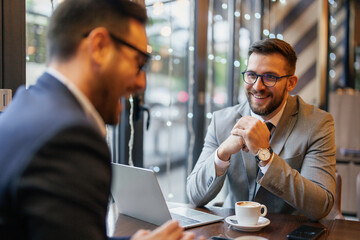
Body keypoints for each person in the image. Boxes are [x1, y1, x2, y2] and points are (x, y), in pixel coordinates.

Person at [0, 1, 203, 240]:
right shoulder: (69, 137)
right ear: (99, 46)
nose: (141, 84)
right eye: (138, 63)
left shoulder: (25, 106)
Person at [186, 38, 336, 221]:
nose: (257, 86)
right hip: (232, 232)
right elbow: (194, 196)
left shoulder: (317, 124)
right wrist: (222, 153)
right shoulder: (222, 121)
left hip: (288, 232)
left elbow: (321, 206)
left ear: (291, 83)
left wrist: (265, 155)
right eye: (251, 75)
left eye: (270, 77)